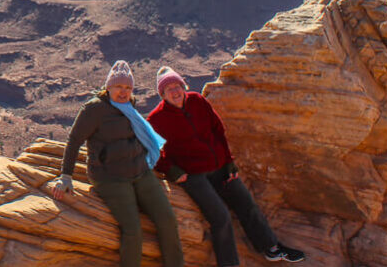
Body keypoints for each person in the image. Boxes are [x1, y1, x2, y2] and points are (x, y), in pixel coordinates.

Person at [147, 66, 306, 266]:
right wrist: (171, 170)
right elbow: (151, 149)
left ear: (183, 86)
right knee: (220, 217)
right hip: (192, 175)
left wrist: (229, 161)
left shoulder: (197, 101)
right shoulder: (156, 118)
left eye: (177, 86)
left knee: (246, 203)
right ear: (162, 94)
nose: (175, 92)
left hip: (219, 167)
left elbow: (218, 129)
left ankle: (271, 248)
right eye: (168, 89)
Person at [50, 60, 184, 267]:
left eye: (128, 88)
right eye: (119, 87)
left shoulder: (129, 106)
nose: (123, 92)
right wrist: (65, 176)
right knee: (133, 230)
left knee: (168, 221)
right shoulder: (94, 109)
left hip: (140, 171)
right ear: (108, 87)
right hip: (110, 178)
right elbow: (74, 140)